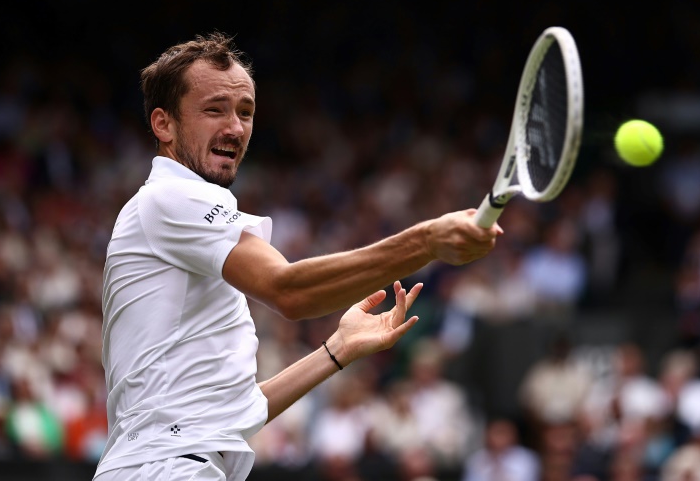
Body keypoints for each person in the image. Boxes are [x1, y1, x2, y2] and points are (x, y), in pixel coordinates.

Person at [93, 32, 502, 481]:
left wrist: (336, 351)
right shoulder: (170, 197)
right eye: (214, 109)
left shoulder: (176, 219)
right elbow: (288, 290)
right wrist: (426, 242)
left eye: (245, 112)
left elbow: (240, 410)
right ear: (163, 124)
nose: (235, 127)